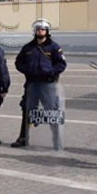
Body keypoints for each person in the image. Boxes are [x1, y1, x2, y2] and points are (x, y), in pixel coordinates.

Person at [11, 19, 67, 148]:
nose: (40, 31)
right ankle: (23, 137)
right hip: (31, 84)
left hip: (48, 85)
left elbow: (61, 64)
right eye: (38, 29)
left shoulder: (54, 47)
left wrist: (51, 72)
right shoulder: (28, 47)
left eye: (42, 29)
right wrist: (27, 70)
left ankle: (56, 140)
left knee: (51, 112)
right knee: (27, 110)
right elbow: (18, 62)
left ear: (47, 31)